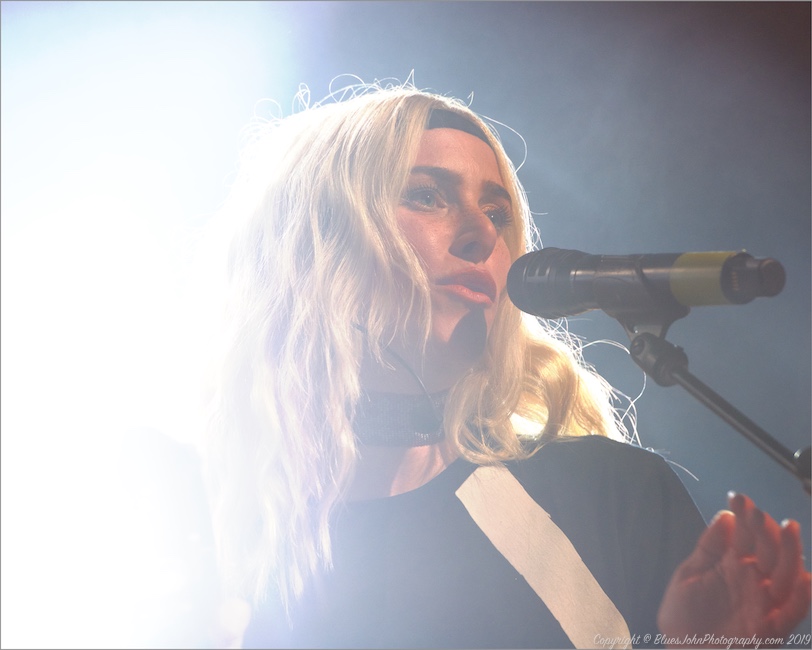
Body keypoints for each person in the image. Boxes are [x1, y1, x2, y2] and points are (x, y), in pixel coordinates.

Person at [201, 81, 811, 648]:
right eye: (425, 195)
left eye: (498, 214)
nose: (481, 235)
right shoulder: (227, 555)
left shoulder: (612, 495)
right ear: (315, 241)